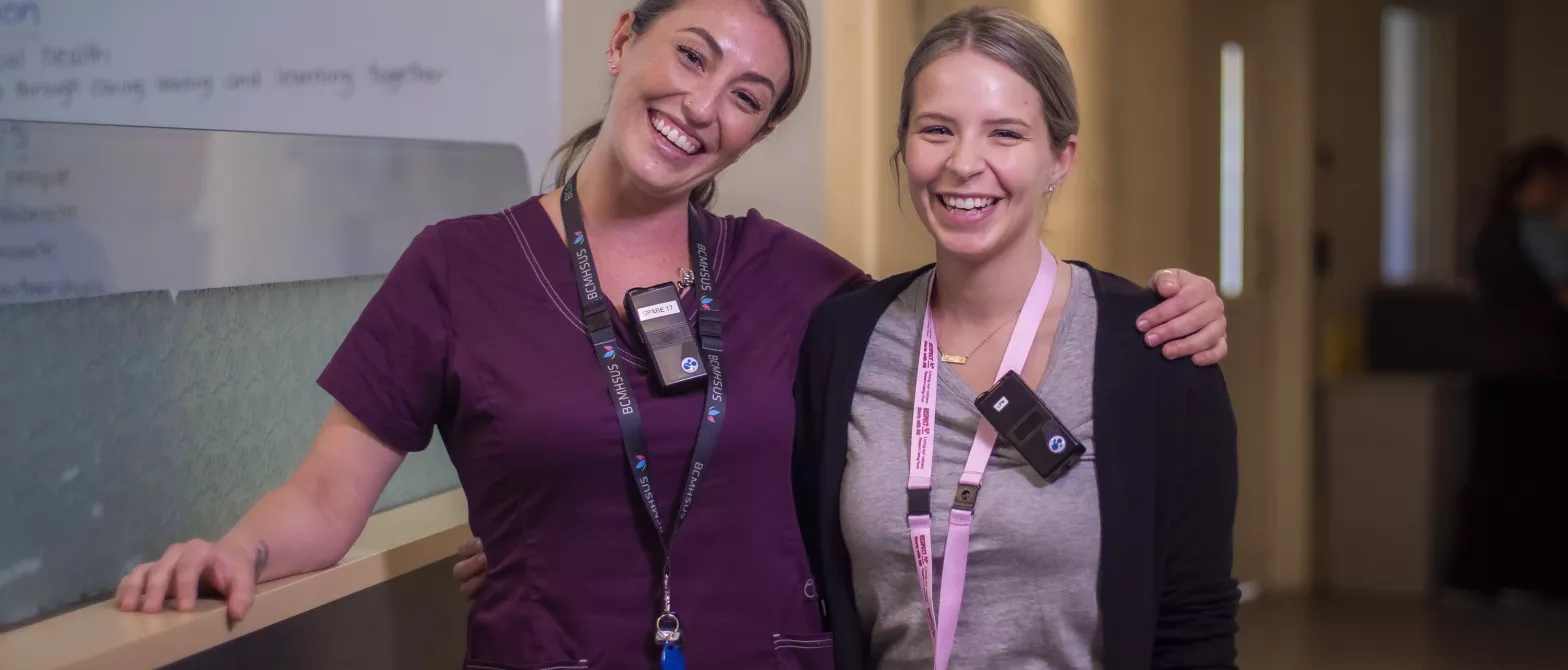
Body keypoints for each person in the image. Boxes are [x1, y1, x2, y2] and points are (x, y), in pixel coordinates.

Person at [116, 1, 1230, 667]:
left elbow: (958, 320)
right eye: (691, 55)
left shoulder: (800, 287)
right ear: (622, 39)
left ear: (757, 133)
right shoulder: (455, 266)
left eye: (748, 96)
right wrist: (241, 550)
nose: (704, 104)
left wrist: (1161, 308)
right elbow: (323, 496)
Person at [791, 8, 1238, 669]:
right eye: (936, 129)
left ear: (1061, 157)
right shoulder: (844, 339)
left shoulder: (1156, 351)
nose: (964, 163)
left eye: (1005, 133)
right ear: (904, 145)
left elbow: (1194, 620)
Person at [1449, 139, 1568, 601]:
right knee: (1532, 475)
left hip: (1494, 368)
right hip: (1533, 370)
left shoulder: (1485, 231)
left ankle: (1478, 578)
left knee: (1493, 472)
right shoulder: (1537, 232)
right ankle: (1527, 577)